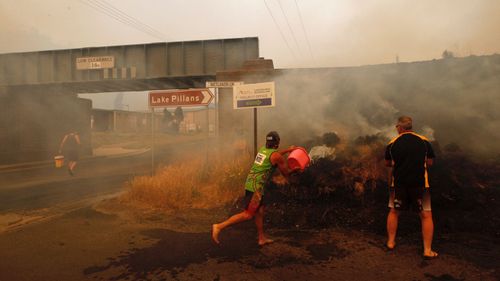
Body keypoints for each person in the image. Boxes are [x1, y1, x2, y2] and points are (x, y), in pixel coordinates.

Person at [212, 131, 298, 246]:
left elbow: (275, 155)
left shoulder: (263, 150)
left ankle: (261, 238)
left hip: (251, 183)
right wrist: (296, 169)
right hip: (256, 188)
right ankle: (219, 226)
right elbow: (286, 173)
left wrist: (288, 150)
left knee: (260, 212)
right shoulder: (276, 156)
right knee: (248, 214)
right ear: (277, 142)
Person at [385, 116, 438, 259]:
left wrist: (400, 163)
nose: (396, 129)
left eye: (397, 127)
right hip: (420, 184)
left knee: (394, 212)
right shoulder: (424, 141)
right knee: (426, 215)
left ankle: (390, 242)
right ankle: (427, 250)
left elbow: (388, 163)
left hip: (399, 184)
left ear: (400, 127)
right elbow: (430, 162)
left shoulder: (393, 143)